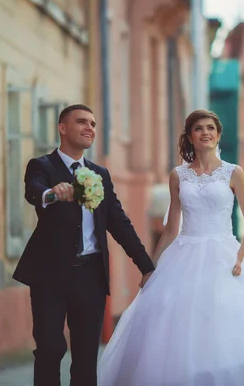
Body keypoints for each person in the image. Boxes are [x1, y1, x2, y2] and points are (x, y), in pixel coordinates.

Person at [97, 109, 244, 385]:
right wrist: (150, 267)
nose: (205, 132)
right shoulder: (178, 176)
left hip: (225, 253)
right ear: (190, 137)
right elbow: (172, 228)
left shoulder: (234, 173)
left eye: (210, 128)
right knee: (178, 321)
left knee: (226, 317)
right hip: (184, 254)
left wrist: (240, 258)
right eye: (198, 128)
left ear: (218, 135)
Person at [12, 104, 155, 386]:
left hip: (90, 275)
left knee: (86, 357)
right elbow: (34, 191)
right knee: (50, 349)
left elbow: (119, 223)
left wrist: (146, 267)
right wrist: (52, 194)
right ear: (62, 128)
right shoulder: (41, 166)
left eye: (92, 123)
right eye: (81, 122)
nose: (89, 128)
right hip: (49, 275)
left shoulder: (99, 174)